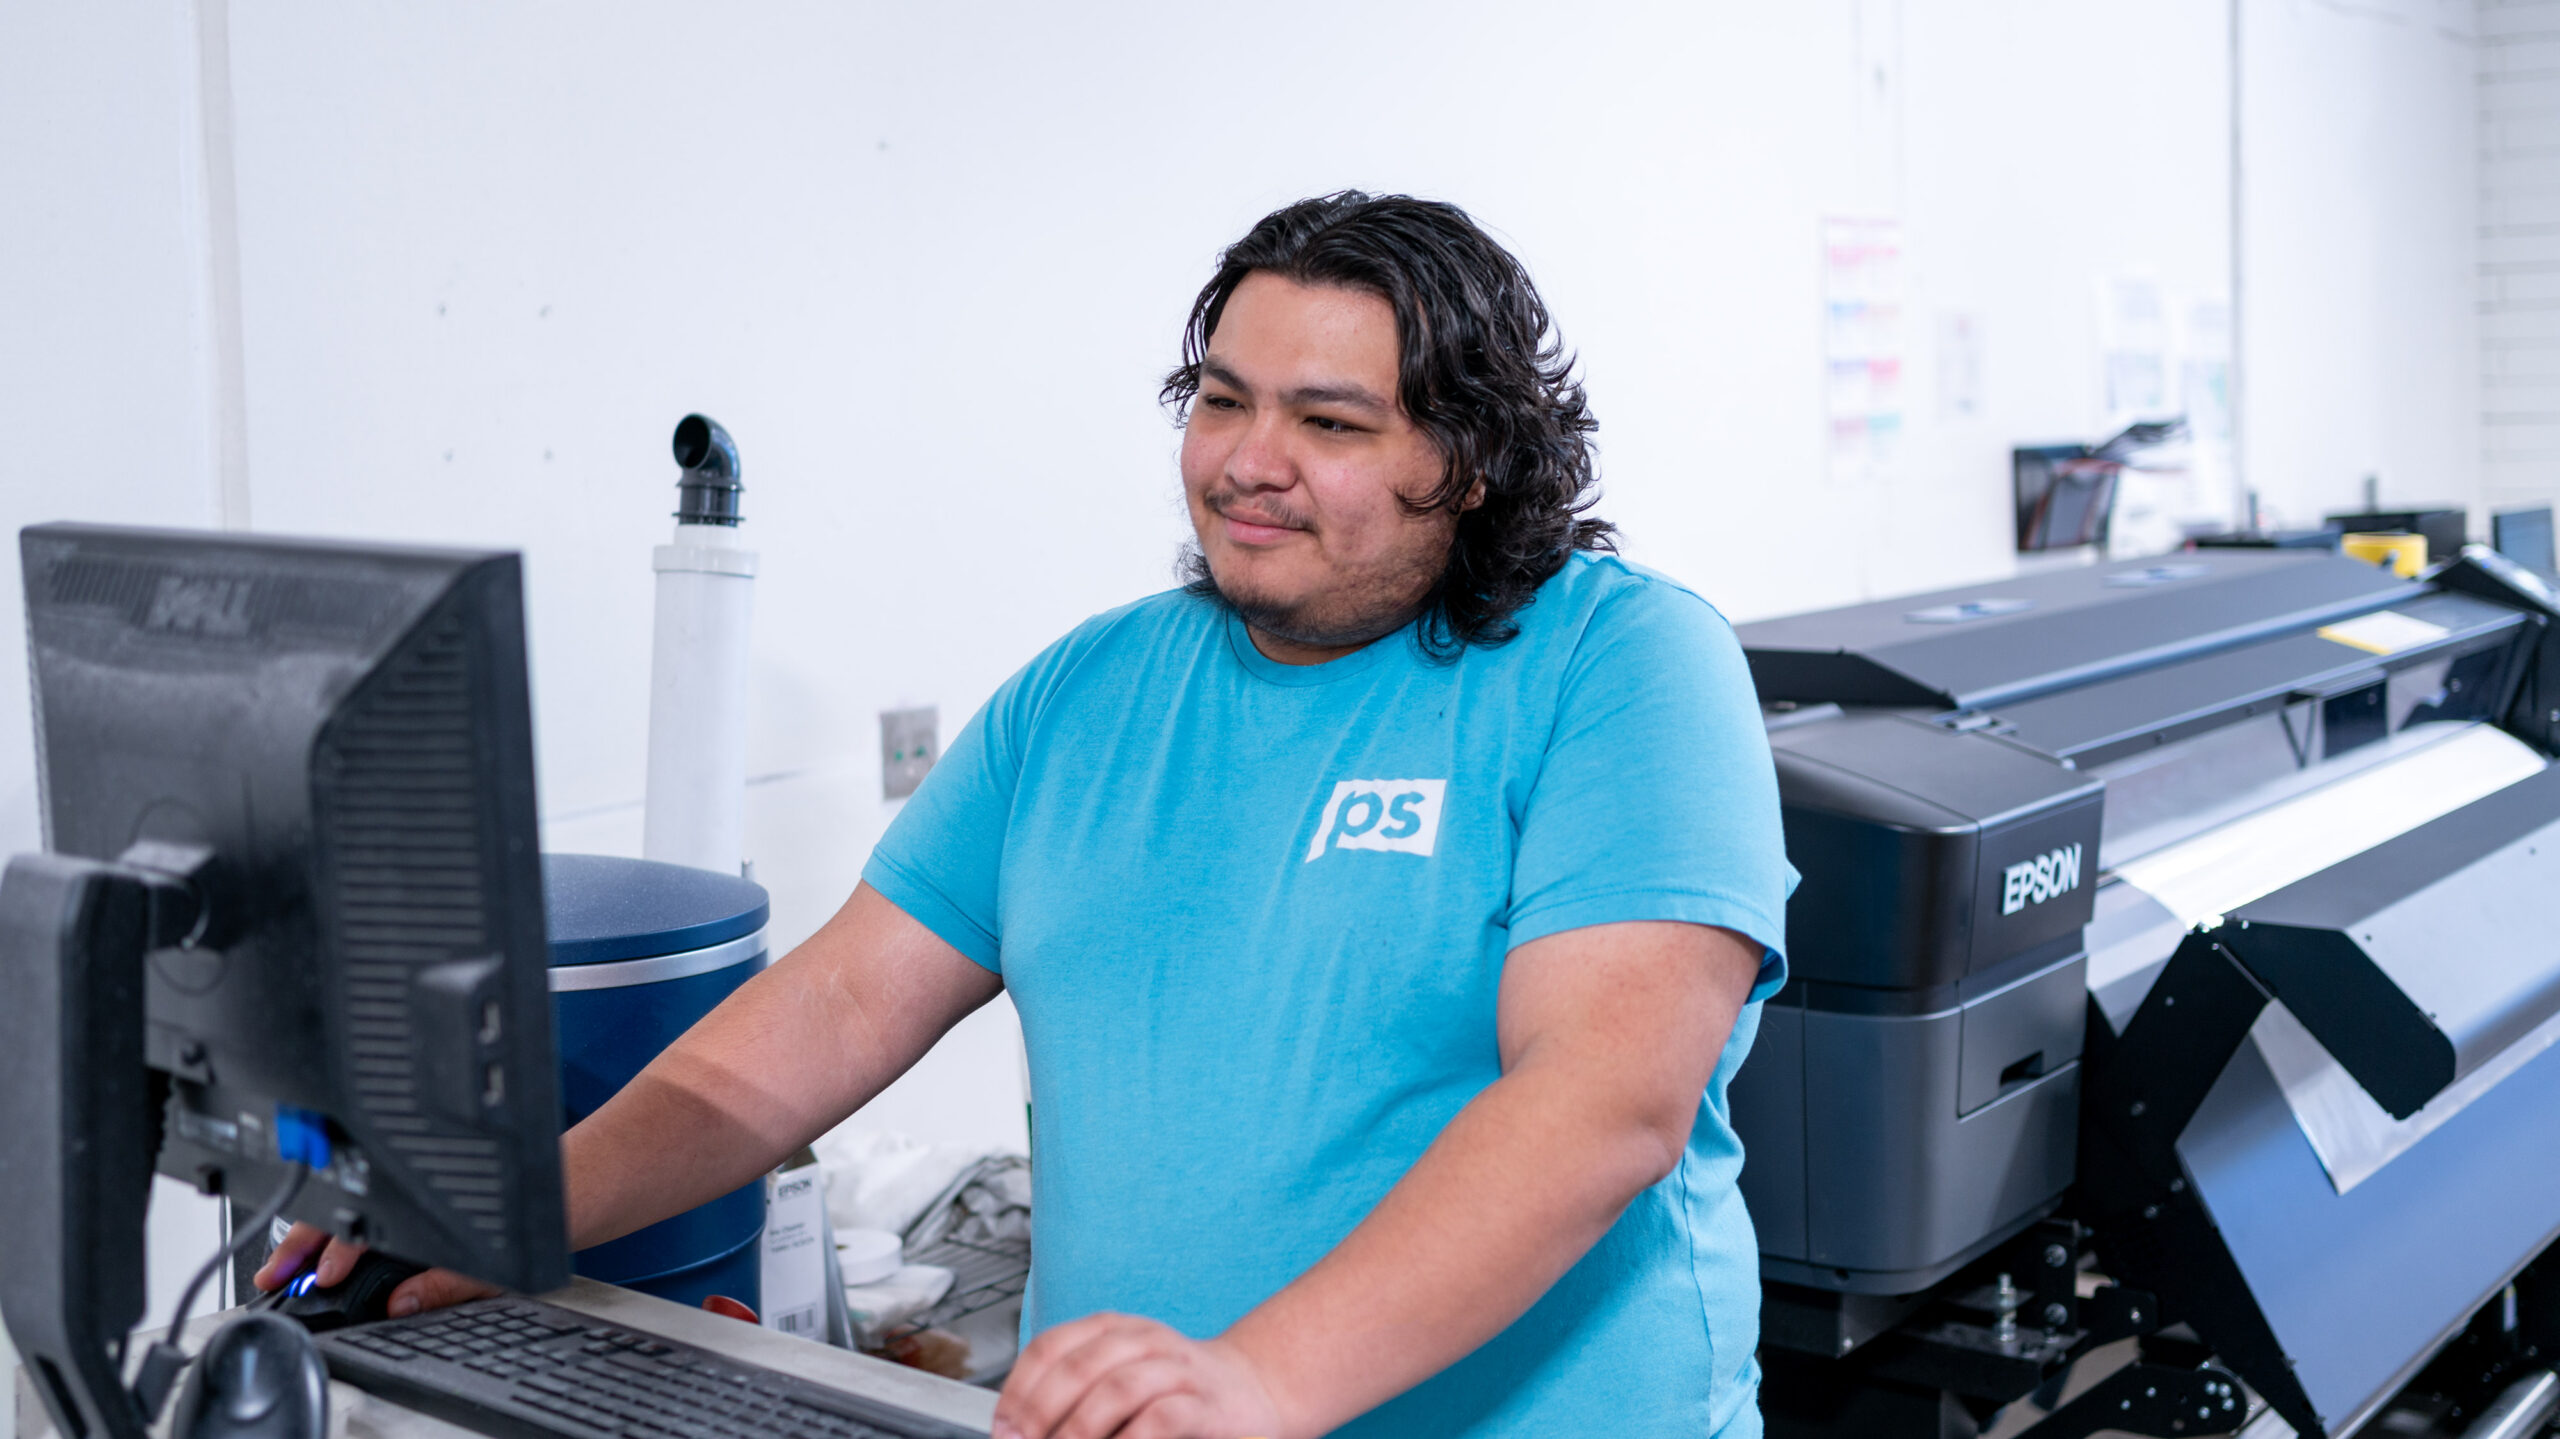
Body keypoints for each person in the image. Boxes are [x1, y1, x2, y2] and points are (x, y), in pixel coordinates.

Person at [259, 191, 1795, 1439]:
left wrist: (1260, 1379)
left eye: (1330, 423)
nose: (1249, 463)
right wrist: (517, 1210)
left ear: (1465, 465)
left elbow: (1601, 1104)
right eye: (1220, 399)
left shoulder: (1621, 663)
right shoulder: (1090, 694)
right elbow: (825, 1015)